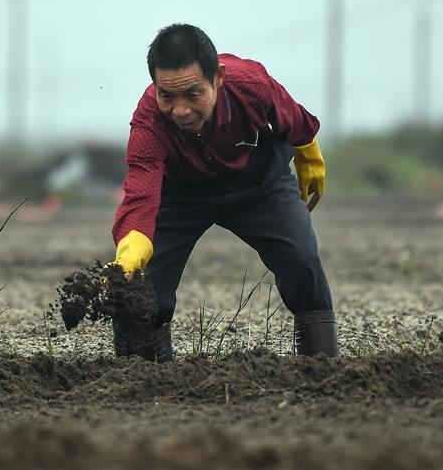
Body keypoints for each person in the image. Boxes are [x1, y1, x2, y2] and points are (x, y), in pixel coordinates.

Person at [108, 24, 335, 362]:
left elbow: (290, 116)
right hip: (181, 197)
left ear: (218, 77)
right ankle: (140, 378)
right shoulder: (148, 121)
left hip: (258, 186)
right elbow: (141, 189)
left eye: (193, 94)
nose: (180, 110)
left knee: (302, 258)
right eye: (167, 96)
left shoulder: (251, 85)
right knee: (141, 291)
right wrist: (129, 251)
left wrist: (308, 152)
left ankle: (323, 367)